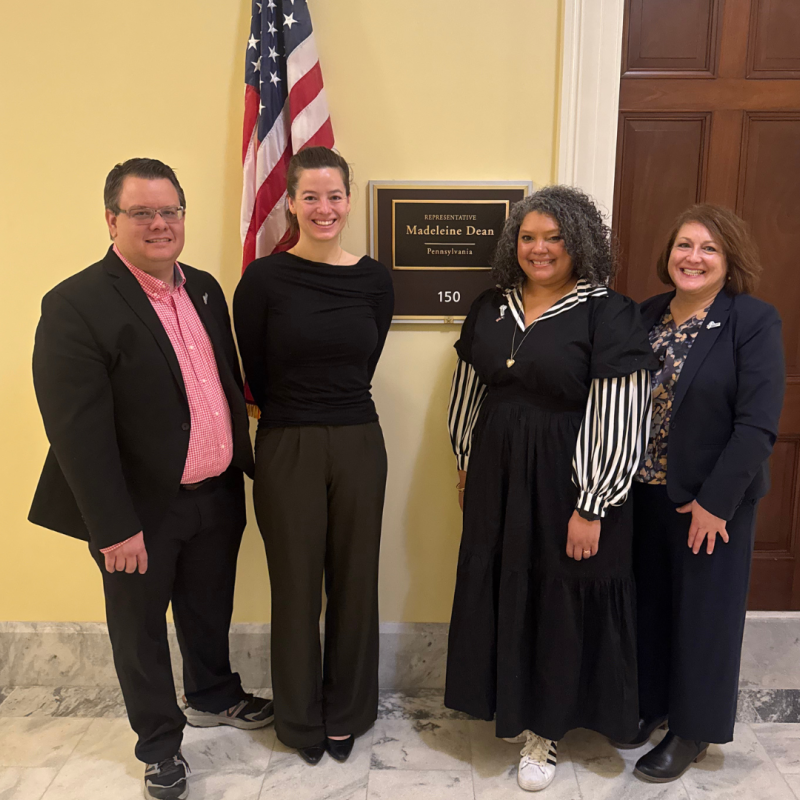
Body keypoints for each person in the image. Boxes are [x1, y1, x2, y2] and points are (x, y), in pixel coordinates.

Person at [29, 158, 273, 800]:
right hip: (137, 509)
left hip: (216, 494)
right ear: (111, 220)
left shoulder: (206, 290)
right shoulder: (75, 303)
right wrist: (113, 526)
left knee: (207, 609)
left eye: (170, 211)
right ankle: (160, 745)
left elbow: (218, 385)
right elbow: (76, 432)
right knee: (139, 630)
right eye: (142, 212)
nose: (159, 224)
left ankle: (214, 695)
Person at [445, 185, 659, 792]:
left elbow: (621, 410)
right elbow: (471, 388)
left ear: (579, 242)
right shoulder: (490, 305)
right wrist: (465, 461)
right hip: (497, 473)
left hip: (570, 478)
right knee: (508, 584)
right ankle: (511, 706)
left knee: (559, 593)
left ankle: (547, 728)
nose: (539, 249)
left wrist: (593, 502)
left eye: (554, 237)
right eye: (528, 237)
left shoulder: (608, 312)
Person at [233, 146, 394, 766]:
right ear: (292, 204)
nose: (324, 208)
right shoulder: (265, 278)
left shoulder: (375, 278)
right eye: (311, 197)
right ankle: (299, 720)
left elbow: (366, 356)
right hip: (287, 441)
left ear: (349, 201)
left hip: (358, 438)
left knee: (356, 581)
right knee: (295, 585)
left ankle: (347, 712)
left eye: (334, 196)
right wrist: (294, 415)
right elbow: (256, 367)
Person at [625, 205, 785, 782]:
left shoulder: (751, 320)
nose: (693, 258)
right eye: (684, 246)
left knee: (704, 617)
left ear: (728, 260)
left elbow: (758, 422)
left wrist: (716, 501)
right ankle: (653, 705)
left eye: (708, 249)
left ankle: (693, 730)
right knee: (650, 606)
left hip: (710, 501)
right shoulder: (643, 316)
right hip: (642, 491)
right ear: (668, 253)